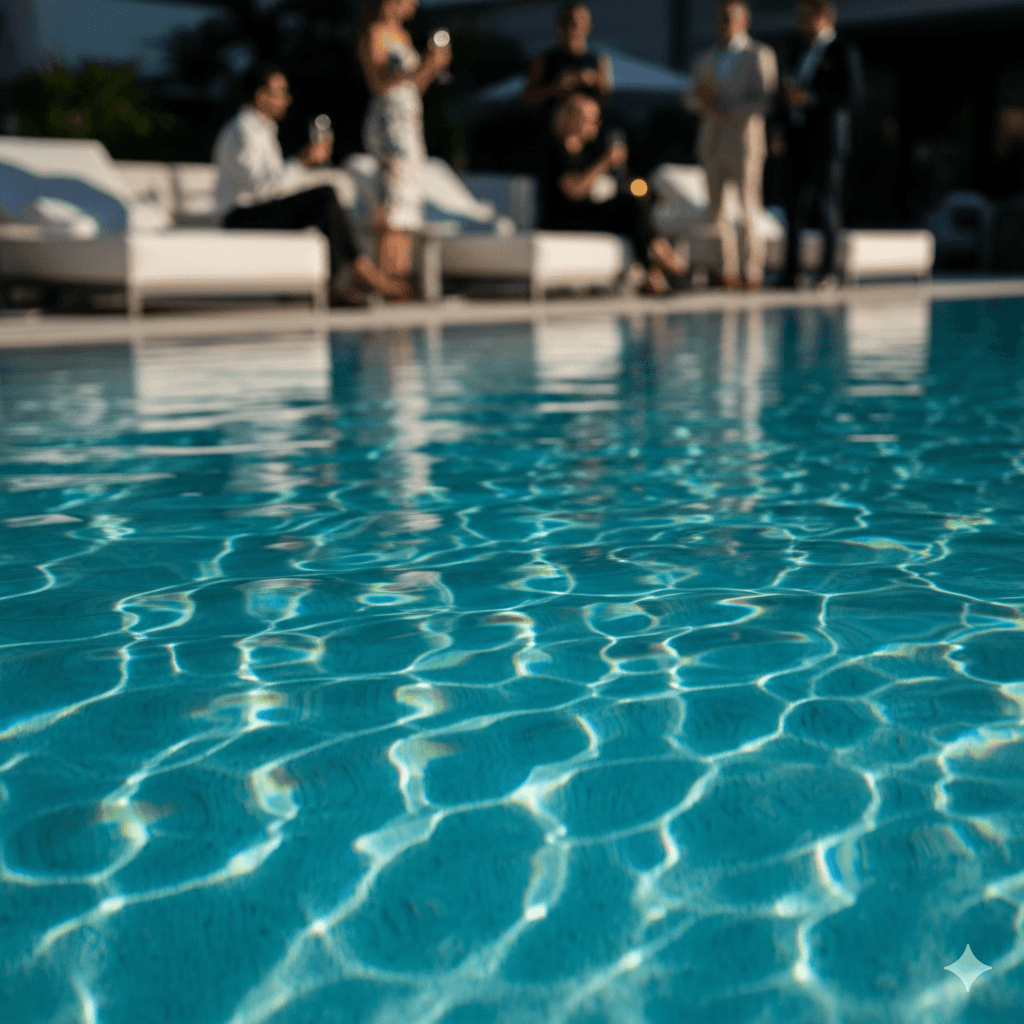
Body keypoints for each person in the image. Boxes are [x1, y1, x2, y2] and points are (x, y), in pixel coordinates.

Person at [213, 65, 403, 304]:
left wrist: (304, 168)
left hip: (257, 209)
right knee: (324, 198)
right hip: (240, 216)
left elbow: (274, 185)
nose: (287, 99)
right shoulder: (243, 131)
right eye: (281, 91)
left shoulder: (262, 130)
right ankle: (357, 270)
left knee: (326, 202)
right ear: (261, 95)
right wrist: (302, 161)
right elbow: (260, 188)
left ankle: (343, 278)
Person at [540, 92, 687, 295]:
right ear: (573, 119)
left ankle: (652, 270)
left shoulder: (587, 151)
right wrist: (605, 162)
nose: (597, 124)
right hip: (562, 219)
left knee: (633, 202)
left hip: (584, 214)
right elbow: (574, 192)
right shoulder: (556, 151)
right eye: (590, 119)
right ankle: (660, 255)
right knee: (629, 205)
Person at [357, 0, 452, 291]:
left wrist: (433, 66)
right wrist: (422, 64)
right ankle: (387, 277)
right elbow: (378, 82)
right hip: (389, 123)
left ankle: (400, 274)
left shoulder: (403, 35)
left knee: (407, 199)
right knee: (390, 197)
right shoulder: (373, 33)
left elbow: (415, 85)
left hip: (410, 122)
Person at [684, 1, 777, 290]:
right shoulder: (705, 58)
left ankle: (752, 271)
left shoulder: (758, 54)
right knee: (717, 210)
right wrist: (705, 101)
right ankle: (726, 270)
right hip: (712, 140)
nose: (723, 22)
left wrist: (727, 109)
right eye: (720, 17)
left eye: (729, 16)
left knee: (749, 205)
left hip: (743, 140)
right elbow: (690, 98)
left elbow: (765, 99)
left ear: (743, 20)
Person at [780, 0, 863, 288]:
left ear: (824, 18)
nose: (802, 24)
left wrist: (812, 99)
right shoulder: (798, 49)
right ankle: (792, 272)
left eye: (807, 18)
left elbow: (851, 95)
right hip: (799, 137)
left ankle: (829, 271)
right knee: (795, 207)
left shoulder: (842, 50)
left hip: (828, 141)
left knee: (827, 206)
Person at [522, 3, 612, 113]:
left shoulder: (599, 61)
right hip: (551, 124)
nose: (569, 29)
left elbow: (608, 101)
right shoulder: (543, 60)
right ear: (558, 26)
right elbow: (526, 100)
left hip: (587, 126)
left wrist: (593, 82)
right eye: (564, 22)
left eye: (574, 24)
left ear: (588, 27)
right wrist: (554, 88)